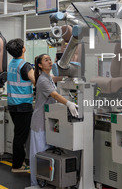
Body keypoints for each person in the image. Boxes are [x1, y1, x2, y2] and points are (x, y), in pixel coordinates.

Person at [30, 54, 79, 186]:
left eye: (50, 59)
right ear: (40, 65)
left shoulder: (49, 78)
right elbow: (54, 95)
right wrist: (68, 103)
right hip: (40, 123)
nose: (50, 62)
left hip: (48, 121)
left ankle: (45, 181)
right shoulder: (43, 80)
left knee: (47, 156)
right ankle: (36, 183)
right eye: (46, 60)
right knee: (38, 155)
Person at [6, 38, 35, 173]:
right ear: (23, 49)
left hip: (13, 104)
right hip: (23, 106)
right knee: (20, 136)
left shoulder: (12, 63)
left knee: (18, 134)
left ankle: (19, 163)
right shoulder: (25, 65)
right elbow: (37, 82)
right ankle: (17, 166)